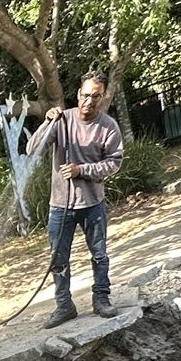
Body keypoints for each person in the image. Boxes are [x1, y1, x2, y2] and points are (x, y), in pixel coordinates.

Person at [25, 72, 124, 327]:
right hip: (60, 204)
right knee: (58, 259)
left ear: (103, 98)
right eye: (85, 95)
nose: (89, 101)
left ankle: (101, 299)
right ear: (78, 94)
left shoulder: (108, 127)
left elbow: (114, 163)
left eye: (95, 96)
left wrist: (83, 170)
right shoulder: (62, 120)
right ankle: (64, 306)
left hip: (93, 204)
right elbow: (32, 150)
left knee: (99, 254)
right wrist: (47, 123)